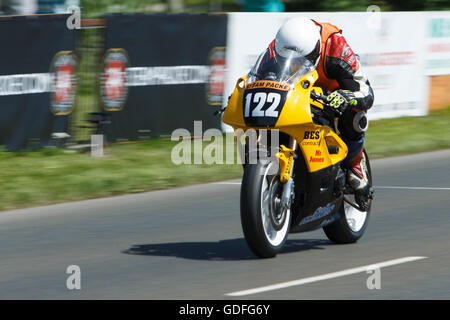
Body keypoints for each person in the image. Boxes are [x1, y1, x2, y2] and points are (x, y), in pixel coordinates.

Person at [258, 17, 374, 208]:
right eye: (291, 61)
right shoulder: (278, 47)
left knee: (355, 117)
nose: (295, 65)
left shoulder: (336, 46)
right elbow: (259, 79)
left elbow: (366, 91)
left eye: (301, 61)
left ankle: (355, 166)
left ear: (315, 51)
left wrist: (346, 96)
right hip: (298, 90)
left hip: (333, 88)